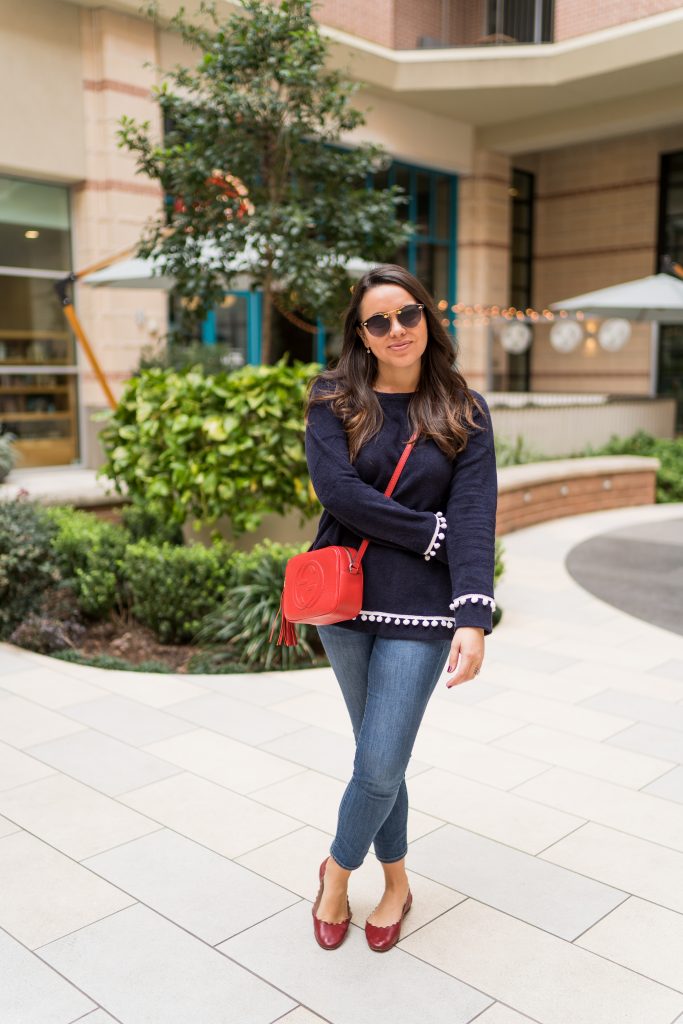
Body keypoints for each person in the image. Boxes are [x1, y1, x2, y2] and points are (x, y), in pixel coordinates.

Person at [304, 264, 498, 952]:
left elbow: (473, 514)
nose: (395, 330)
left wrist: (472, 615)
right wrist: (428, 533)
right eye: (377, 321)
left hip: (420, 609)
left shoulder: (463, 410)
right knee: (374, 759)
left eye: (406, 315)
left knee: (380, 760)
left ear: (426, 318)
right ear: (359, 334)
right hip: (346, 601)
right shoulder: (333, 399)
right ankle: (395, 882)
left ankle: (336, 871)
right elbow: (338, 494)